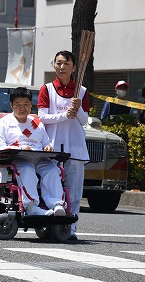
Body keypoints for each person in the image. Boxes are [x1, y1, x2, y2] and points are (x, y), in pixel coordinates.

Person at [37, 50, 90, 240]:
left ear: (74, 67)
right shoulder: (47, 89)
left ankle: (72, 228)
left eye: (66, 64)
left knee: (74, 192)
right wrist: (64, 114)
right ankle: (50, 224)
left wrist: (79, 108)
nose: (61, 67)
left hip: (75, 148)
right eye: (58, 63)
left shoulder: (81, 91)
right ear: (54, 66)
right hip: (53, 148)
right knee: (54, 189)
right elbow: (42, 117)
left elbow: (84, 121)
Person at [0, 87, 66, 217]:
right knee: (27, 169)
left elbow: (46, 143)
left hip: (39, 157)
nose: (22, 108)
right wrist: (19, 149)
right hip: (17, 159)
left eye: (26, 104)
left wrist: (48, 147)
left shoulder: (37, 123)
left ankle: (57, 205)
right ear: (11, 106)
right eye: (18, 104)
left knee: (52, 169)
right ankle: (31, 206)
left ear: (31, 105)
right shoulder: (4, 123)